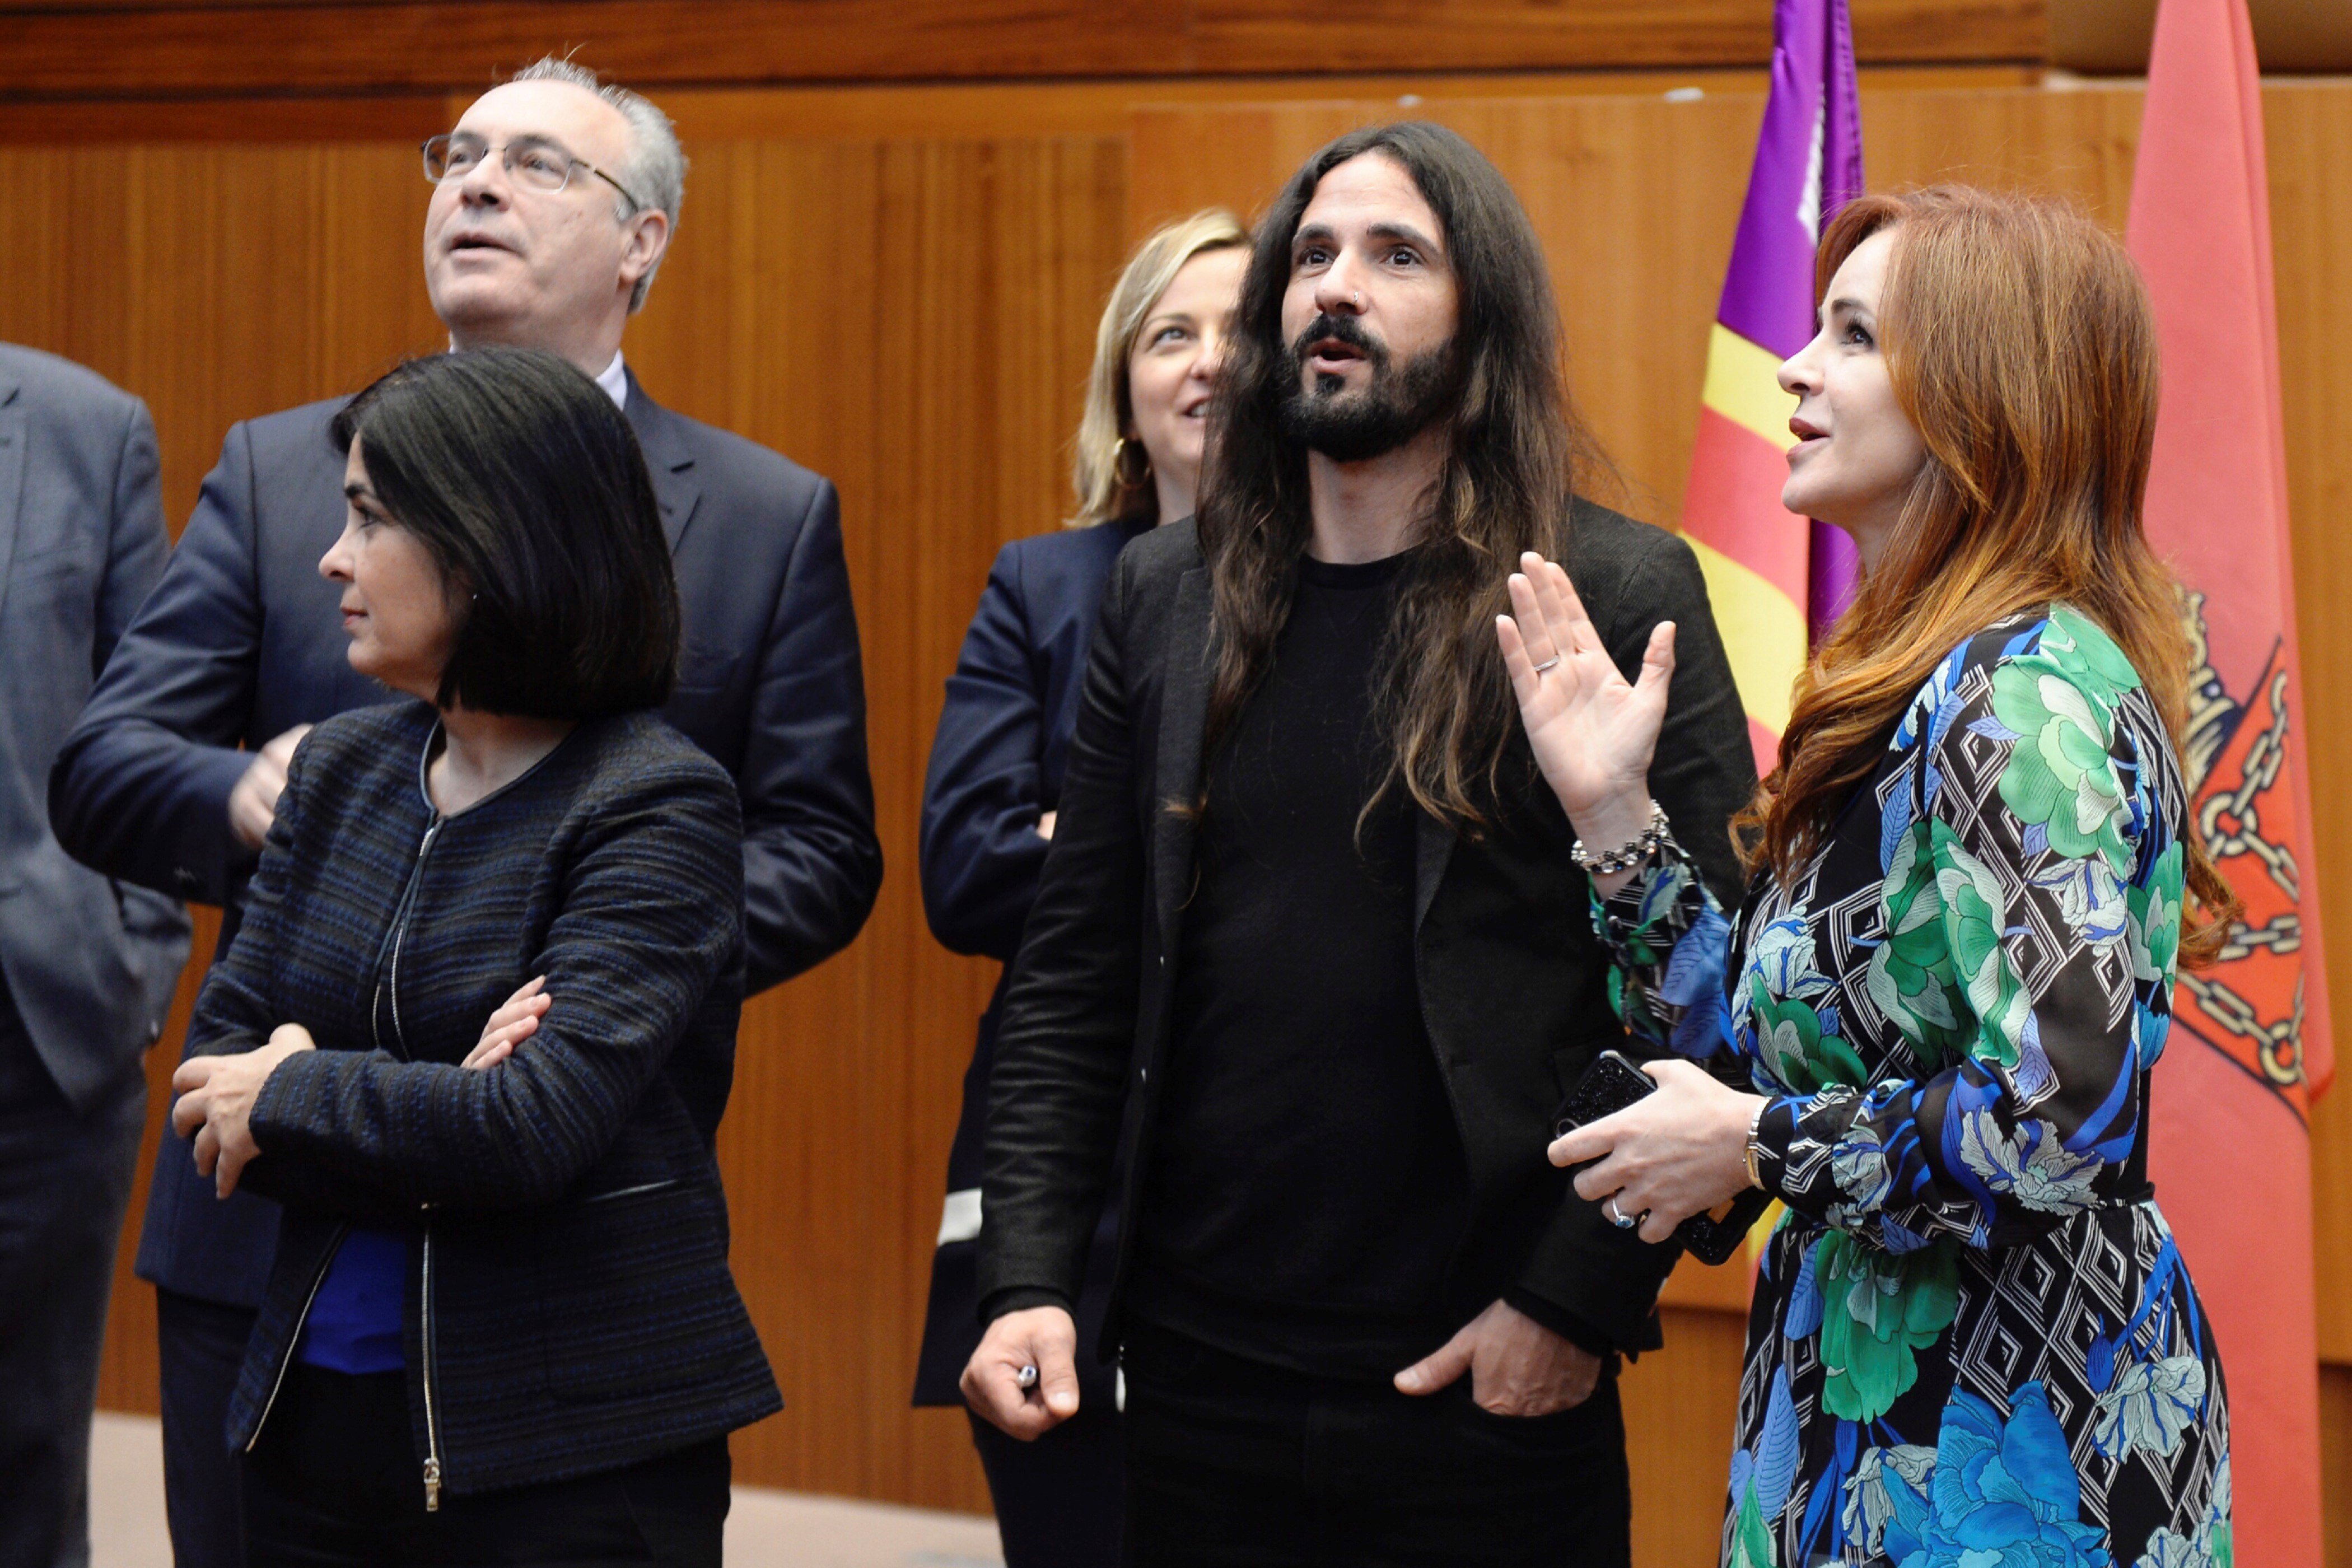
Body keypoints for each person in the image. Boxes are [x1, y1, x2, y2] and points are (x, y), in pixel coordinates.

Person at [49, 57, 879, 1568]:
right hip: (278, 1274)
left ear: (642, 241)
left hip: (564, 1285)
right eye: (460, 153)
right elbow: (120, 798)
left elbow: (809, 855)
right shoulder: (284, 495)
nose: (476, 182)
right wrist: (256, 810)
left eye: (538, 162)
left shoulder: (764, 522)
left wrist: (599, 977)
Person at [961, 123, 1757, 1564]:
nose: (1338, 286)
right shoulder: (1164, 593)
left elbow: (1718, 998)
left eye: (1398, 256)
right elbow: (1073, 976)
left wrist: (1569, 1301)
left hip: (1488, 1383)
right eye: (1313, 254)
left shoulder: (1615, 586)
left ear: (1481, 318)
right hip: (1194, 1373)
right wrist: (1026, 1273)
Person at [1523, 186, 2233, 1567]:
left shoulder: (2026, 696)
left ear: (1981, 393)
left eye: (1853, 335)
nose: (1793, 368)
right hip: (1858, 1399)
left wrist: (1756, 1145)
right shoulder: (1919, 682)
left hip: (2016, 1439)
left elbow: (2065, 1112)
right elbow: (1760, 1058)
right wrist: (1614, 815)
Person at [166, 348, 780, 1566]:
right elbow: (210, 1082)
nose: (332, 558)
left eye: (369, 518)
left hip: (569, 1454)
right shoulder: (339, 768)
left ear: (497, 542)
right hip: (310, 1419)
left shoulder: (656, 803)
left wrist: (297, 1085)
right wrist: (435, 1096)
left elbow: (529, 1130)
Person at [916, 208, 1247, 1566]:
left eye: (1240, 331)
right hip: (1057, 1149)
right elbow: (964, 868)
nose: (1208, 361)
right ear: (1125, 388)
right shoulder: (1046, 584)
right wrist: (1180, 838)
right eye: (1172, 334)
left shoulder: (1354, 593)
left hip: (1260, 1173)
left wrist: (1085, 829)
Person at [0, 343, 189, 1568]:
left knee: (25, 1458)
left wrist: (136, 962)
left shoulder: (87, 427)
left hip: (37, 1033)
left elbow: (151, 724)